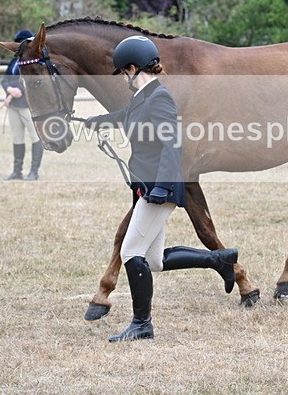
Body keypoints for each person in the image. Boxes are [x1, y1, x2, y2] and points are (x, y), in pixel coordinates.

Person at [84, 36, 238, 342]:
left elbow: (172, 143)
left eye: (124, 72)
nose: (124, 79)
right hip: (148, 185)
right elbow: (126, 116)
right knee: (154, 261)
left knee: (130, 253)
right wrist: (97, 120)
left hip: (159, 187)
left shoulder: (160, 98)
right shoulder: (143, 98)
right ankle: (218, 259)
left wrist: (164, 187)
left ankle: (142, 324)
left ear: (132, 67)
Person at [2, 30, 44, 180]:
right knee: (17, 138)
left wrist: (17, 90)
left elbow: (33, 80)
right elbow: (4, 80)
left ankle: (34, 171)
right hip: (14, 106)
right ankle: (17, 171)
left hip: (28, 105)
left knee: (35, 137)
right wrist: (9, 89)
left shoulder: (34, 61)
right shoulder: (14, 61)